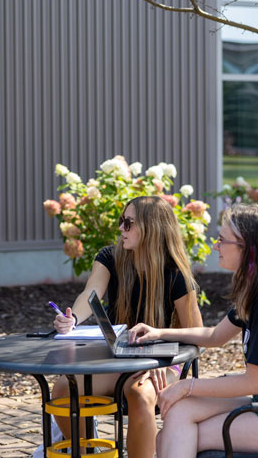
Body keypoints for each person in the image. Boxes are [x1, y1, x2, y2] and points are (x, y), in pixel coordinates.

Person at [129, 203, 258, 456]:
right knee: (177, 417)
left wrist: (186, 386)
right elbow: (214, 336)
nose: (216, 246)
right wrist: (159, 332)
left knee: (176, 436)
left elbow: (253, 382)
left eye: (222, 240)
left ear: (247, 248)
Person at [50, 196, 203, 458]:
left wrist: (163, 360)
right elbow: (91, 294)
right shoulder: (110, 257)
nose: (121, 228)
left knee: (140, 395)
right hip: (117, 358)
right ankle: (89, 452)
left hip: (161, 361)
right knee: (64, 389)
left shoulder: (175, 274)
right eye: (122, 221)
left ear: (151, 227)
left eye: (128, 223)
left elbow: (198, 335)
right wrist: (72, 318)